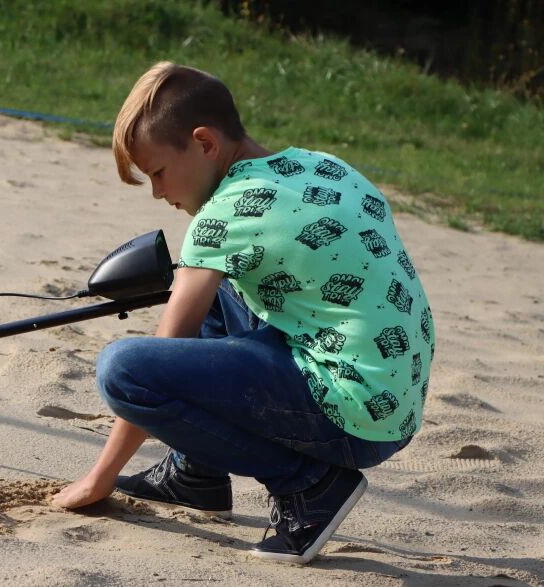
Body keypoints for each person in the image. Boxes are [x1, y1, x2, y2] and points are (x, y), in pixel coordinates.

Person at [50, 62, 433, 564]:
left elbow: (164, 350)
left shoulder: (225, 216)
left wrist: (99, 479)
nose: (159, 193)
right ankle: (195, 473)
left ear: (205, 143)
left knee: (122, 370)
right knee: (217, 284)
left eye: (158, 173)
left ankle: (307, 484)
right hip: (394, 400)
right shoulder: (322, 165)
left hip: (353, 419)